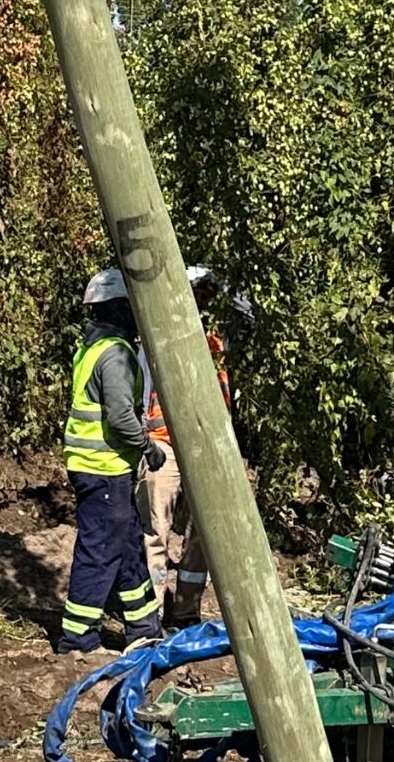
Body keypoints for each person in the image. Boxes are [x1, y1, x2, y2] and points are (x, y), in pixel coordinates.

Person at [58, 267, 165, 654]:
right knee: (100, 551)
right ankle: (78, 639)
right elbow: (120, 418)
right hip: (104, 470)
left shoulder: (92, 349)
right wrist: (148, 448)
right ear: (118, 308)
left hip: (103, 469)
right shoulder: (116, 354)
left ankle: (144, 628)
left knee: (128, 549)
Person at [138, 265, 250, 627]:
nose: (202, 302)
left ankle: (185, 613)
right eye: (198, 293)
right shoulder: (159, 337)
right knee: (155, 531)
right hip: (163, 444)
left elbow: (248, 317)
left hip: (208, 450)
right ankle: (150, 615)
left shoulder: (216, 339)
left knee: (203, 535)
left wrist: (227, 283)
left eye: (206, 295)